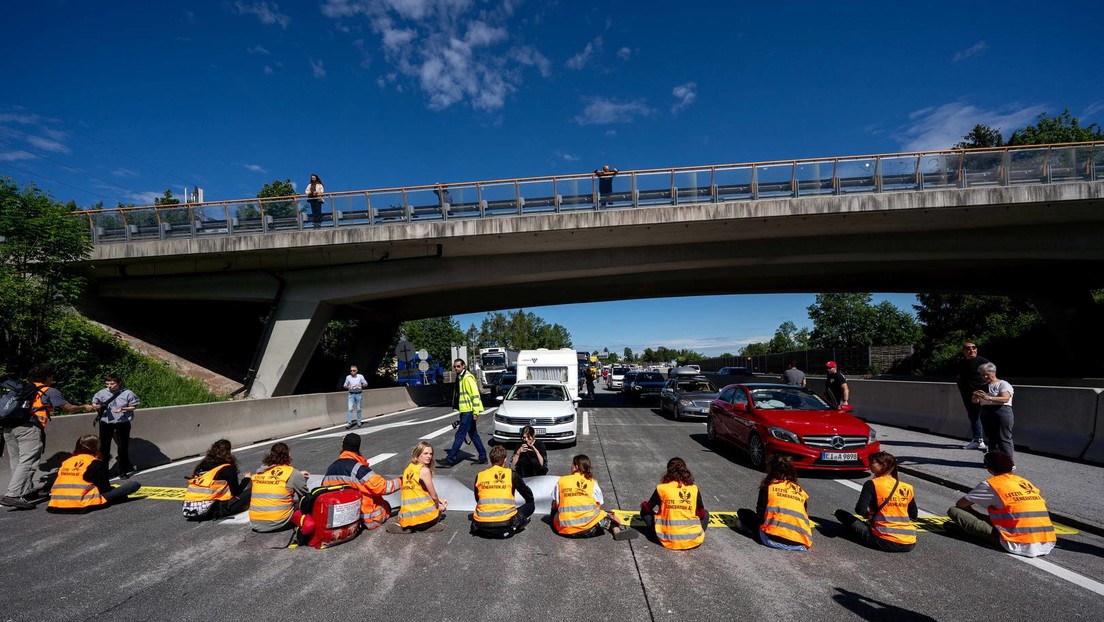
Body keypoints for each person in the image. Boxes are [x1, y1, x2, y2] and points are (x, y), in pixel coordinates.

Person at [2, 365, 95, 510]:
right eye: (51, 376)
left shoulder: (23, 389)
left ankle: (25, 492)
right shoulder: (49, 391)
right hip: (29, 428)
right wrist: (85, 406)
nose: (52, 379)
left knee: (17, 460)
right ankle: (13, 495)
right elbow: (68, 408)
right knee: (28, 461)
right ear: (47, 377)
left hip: (9, 427)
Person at [946, 451, 1056, 558]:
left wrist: (980, 516)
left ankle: (971, 532)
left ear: (989, 469)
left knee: (954, 511)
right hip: (1046, 542)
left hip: (1016, 543)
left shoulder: (991, 485)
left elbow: (961, 505)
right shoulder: (1024, 482)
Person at [833, 451, 917, 552]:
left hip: (885, 541)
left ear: (883, 465)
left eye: (872, 463)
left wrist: (870, 517)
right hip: (909, 543)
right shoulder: (907, 487)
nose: (869, 465)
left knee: (841, 514)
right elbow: (913, 514)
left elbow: (860, 510)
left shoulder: (872, 484)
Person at [322, 433, 402, 531]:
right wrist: (402, 480)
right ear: (358, 448)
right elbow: (384, 487)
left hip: (338, 519)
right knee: (386, 505)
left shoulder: (331, 468)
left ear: (343, 447)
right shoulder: (359, 469)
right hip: (366, 519)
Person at [551, 454, 637, 540]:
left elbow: (555, 504)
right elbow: (599, 503)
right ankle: (616, 530)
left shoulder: (562, 480)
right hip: (589, 530)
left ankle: (558, 523)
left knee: (554, 509)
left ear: (576, 467)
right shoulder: (592, 482)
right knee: (605, 514)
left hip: (565, 529)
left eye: (572, 465)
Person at [46, 434, 141, 513]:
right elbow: (104, 488)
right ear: (96, 448)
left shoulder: (67, 461)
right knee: (133, 485)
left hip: (56, 504)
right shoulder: (95, 463)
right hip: (80, 504)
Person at [736, 455, 812, 551]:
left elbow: (761, 515)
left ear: (771, 470)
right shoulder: (800, 491)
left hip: (771, 539)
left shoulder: (769, 488)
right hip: (801, 543)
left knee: (743, 513)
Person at [639, 457, 708, 550]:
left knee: (644, 513)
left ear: (668, 471)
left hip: (667, 538)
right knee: (706, 513)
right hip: (692, 540)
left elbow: (647, 508)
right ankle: (694, 533)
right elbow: (702, 514)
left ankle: (659, 534)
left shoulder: (662, 488)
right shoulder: (694, 488)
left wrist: (644, 505)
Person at [470, 445, 535, 539]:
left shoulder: (480, 475)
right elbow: (527, 494)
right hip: (505, 525)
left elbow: (478, 499)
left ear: (491, 460)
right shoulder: (511, 474)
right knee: (530, 504)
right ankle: (516, 525)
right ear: (505, 460)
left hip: (482, 526)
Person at [182, 439, 252, 520]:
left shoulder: (202, 465)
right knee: (254, 489)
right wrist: (246, 479)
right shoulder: (227, 468)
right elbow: (236, 493)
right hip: (214, 510)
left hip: (192, 507)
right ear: (228, 452)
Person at [248, 442, 309, 532]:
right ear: (288, 455)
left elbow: (274, 480)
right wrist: (300, 478)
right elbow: (305, 497)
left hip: (255, 523)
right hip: (278, 522)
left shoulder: (260, 472)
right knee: (303, 507)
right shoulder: (292, 473)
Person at [389, 441, 446, 533]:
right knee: (440, 510)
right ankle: (426, 527)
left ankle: (408, 527)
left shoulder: (408, 469)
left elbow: (419, 491)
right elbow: (434, 495)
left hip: (406, 517)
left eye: (431, 454)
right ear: (418, 454)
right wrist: (439, 507)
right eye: (425, 453)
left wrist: (439, 499)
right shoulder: (424, 470)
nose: (429, 456)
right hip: (424, 517)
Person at [440, 358, 487, 468]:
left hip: (468, 412)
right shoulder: (460, 378)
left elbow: (475, 396)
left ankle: (450, 459)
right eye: (455, 367)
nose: (456, 368)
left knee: (460, 435)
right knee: (473, 434)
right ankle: (483, 457)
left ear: (464, 366)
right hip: (465, 411)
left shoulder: (467, 378)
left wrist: (476, 413)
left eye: (458, 366)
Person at [92, 374, 140, 479]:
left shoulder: (128, 393)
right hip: (106, 422)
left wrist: (123, 409)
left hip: (122, 422)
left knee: (122, 447)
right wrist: (96, 406)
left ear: (118, 383)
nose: (109, 386)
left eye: (112, 383)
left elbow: (134, 406)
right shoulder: (101, 393)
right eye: (107, 383)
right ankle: (104, 472)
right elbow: (94, 403)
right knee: (104, 448)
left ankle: (123, 471)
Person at [972, 362, 1015, 459]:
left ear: (994, 372)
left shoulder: (1003, 384)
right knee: (991, 438)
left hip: (1001, 411)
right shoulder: (982, 386)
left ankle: (1007, 462)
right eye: (983, 375)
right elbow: (975, 401)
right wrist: (975, 397)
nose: (985, 377)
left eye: (987, 374)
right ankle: (994, 461)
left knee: (1003, 437)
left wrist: (989, 398)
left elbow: (1005, 398)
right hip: (986, 411)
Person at [956, 342, 991, 451]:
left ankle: (986, 440)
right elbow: (958, 377)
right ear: (963, 351)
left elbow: (991, 378)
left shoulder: (983, 362)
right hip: (967, 394)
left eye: (973, 347)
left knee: (983, 416)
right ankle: (978, 439)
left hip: (981, 394)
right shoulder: (961, 363)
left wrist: (984, 392)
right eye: (968, 348)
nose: (971, 350)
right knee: (973, 416)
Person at [343, 365, 367, 429]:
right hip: (351, 394)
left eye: (354, 370)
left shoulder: (360, 376)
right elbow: (344, 385)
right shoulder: (348, 377)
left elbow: (366, 384)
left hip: (359, 394)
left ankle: (359, 422)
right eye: (351, 370)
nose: (352, 372)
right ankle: (349, 423)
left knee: (358, 409)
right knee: (350, 408)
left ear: (356, 371)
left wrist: (360, 385)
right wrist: (348, 387)